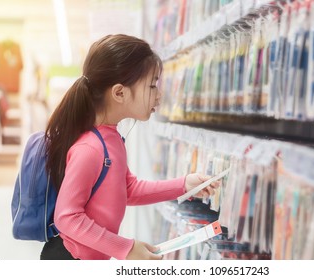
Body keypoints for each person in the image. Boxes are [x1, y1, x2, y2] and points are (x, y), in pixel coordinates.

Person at [40, 34, 219, 260]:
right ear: (119, 93)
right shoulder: (91, 148)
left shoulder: (112, 139)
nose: (159, 95)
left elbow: (128, 190)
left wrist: (184, 185)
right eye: (152, 85)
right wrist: (125, 247)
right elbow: (67, 217)